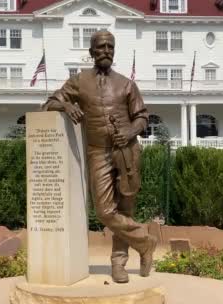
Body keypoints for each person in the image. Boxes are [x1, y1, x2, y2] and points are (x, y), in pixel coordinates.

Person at [43, 30, 157, 283]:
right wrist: (66, 105)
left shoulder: (127, 84)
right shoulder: (78, 81)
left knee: (125, 208)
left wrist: (130, 130)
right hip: (98, 152)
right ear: (91, 51)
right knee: (105, 211)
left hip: (126, 152)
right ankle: (145, 241)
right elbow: (49, 102)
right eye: (101, 47)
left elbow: (142, 117)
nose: (106, 51)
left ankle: (119, 265)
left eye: (110, 47)